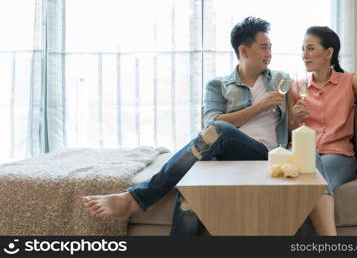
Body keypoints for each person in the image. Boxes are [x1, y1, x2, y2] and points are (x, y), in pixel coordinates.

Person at [82, 16, 290, 235]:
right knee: (191, 184)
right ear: (244, 51)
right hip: (223, 157)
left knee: (222, 131)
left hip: (262, 154)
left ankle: (135, 199)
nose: (269, 53)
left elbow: (295, 113)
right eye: (264, 47)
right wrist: (260, 107)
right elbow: (212, 124)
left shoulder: (280, 80)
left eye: (270, 48)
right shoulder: (218, 85)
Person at [288, 26, 357, 235]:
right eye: (302, 49)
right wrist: (296, 118)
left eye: (310, 49)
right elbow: (293, 131)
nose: (304, 55)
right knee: (310, 168)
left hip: (338, 155)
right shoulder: (296, 87)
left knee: (310, 181)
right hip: (306, 153)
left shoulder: (348, 81)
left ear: (328, 53)